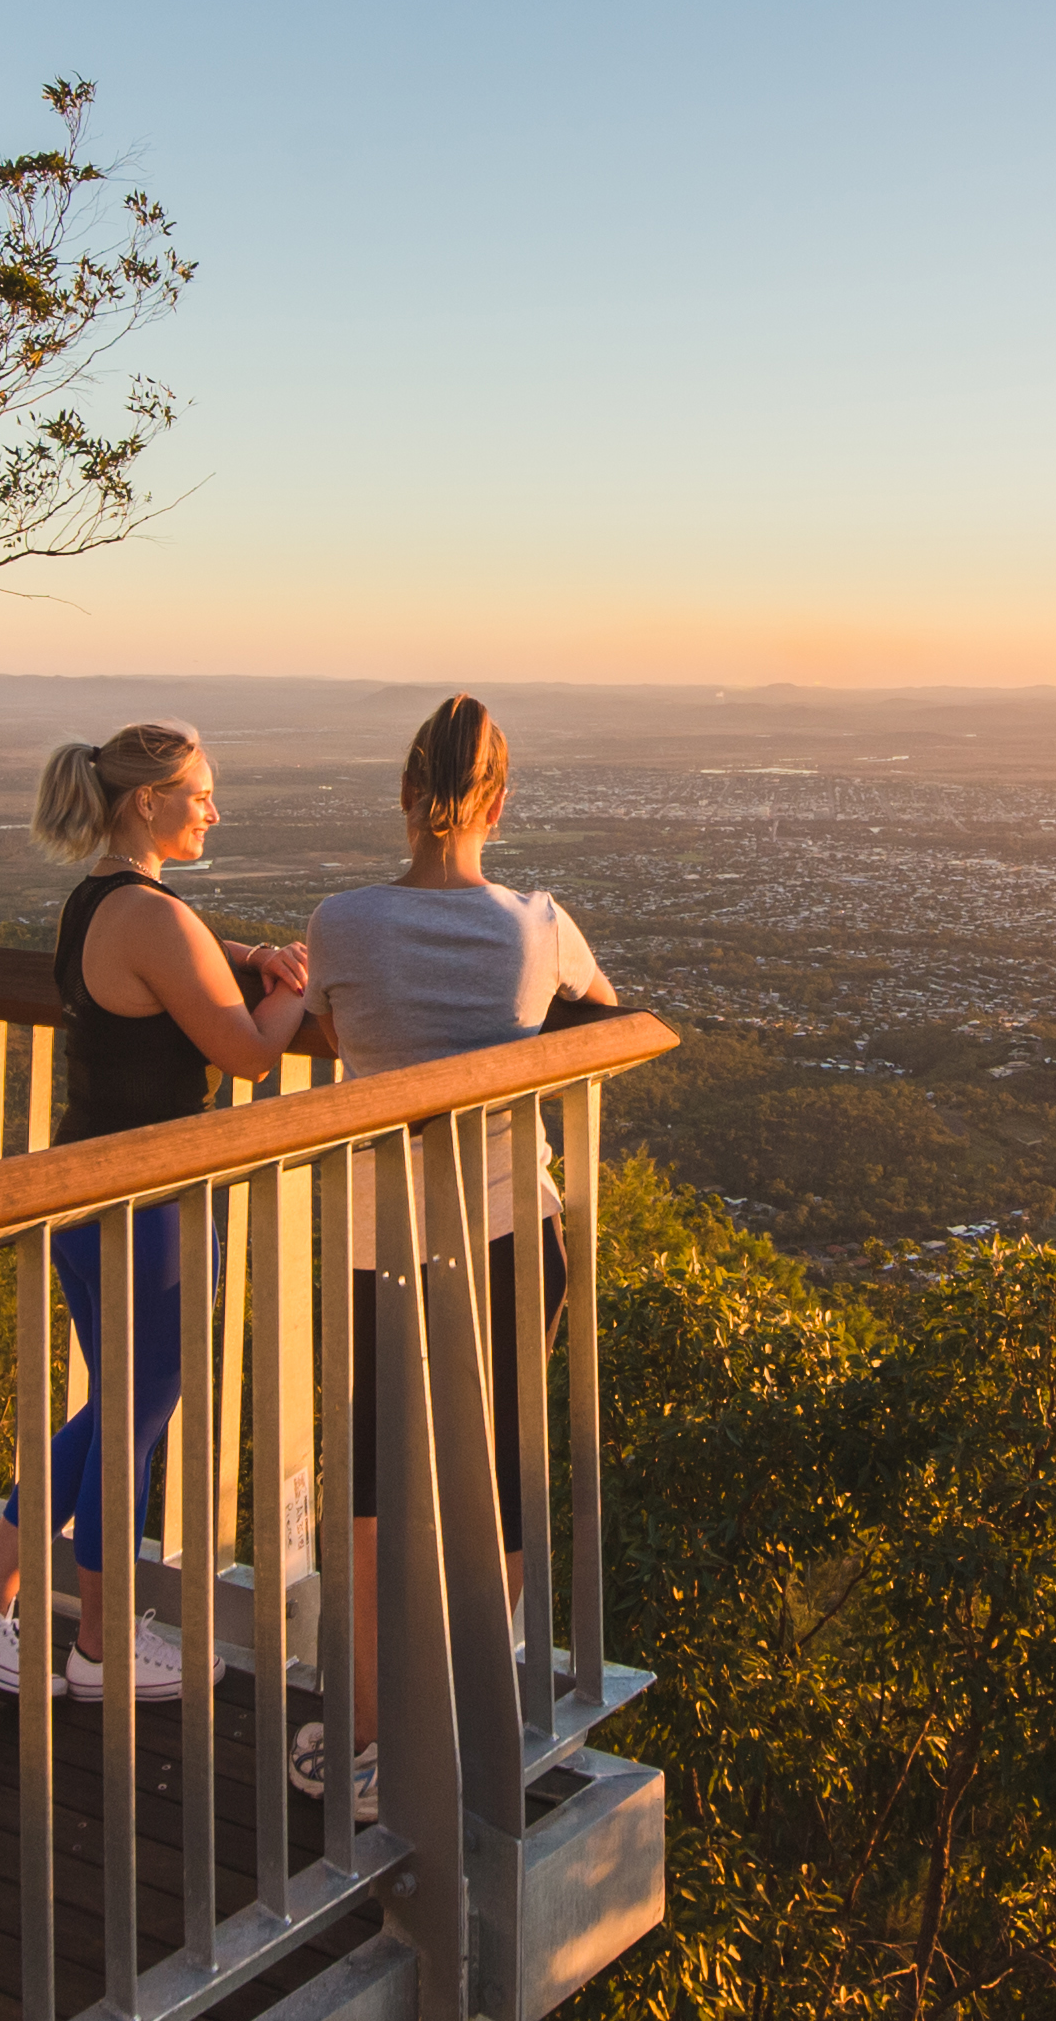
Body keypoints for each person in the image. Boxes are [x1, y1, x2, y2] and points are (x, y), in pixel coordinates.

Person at [289, 694, 616, 1819]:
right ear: (500, 799)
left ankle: (369, 1740)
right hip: (515, 1230)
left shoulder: (341, 919)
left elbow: (329, 1028)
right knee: (502, 1481)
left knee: (376, 1489)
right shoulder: (535, 921)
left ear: (403, 792)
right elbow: (607, 1017)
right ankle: (474, 1727)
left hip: (380, 1240)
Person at [0, 720, 311, 1704]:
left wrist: (243, 952)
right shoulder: (152, 915)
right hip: (143, 1196)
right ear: (147, 799)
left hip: (85, 1184)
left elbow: (177, 964)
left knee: (124, 1405)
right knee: (138, 1410)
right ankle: (97, 1646)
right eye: (199, 791)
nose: (213, 807)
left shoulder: (98, 899)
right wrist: (302, 986)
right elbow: (245, 1052)